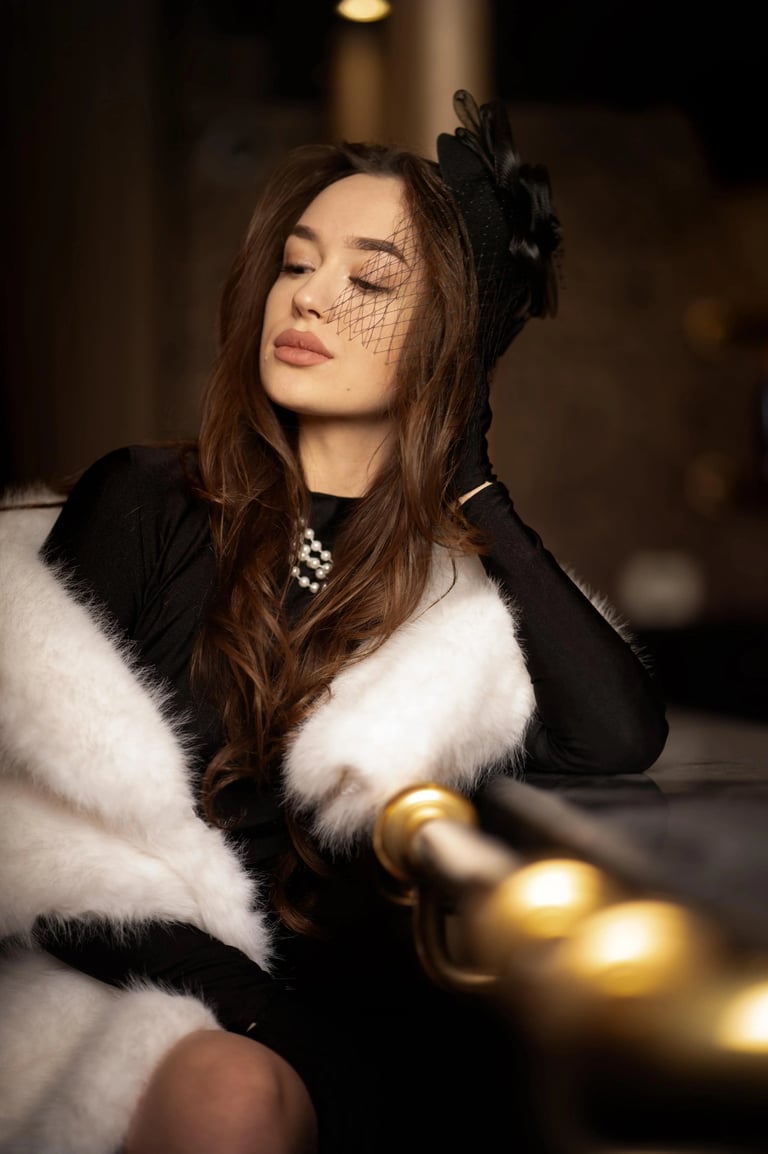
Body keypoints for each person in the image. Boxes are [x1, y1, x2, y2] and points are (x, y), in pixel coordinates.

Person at [0, 91, 668, 1154]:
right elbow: (30, 846)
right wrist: (284, 1033)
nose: (308, 298)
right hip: (112, 981)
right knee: (235, 1095)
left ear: (447, 338)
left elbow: (617, 732)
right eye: (298, 262)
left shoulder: (449, 597)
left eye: (368, 280)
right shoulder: (146, 502)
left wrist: (474, 476)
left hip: (333, 1029)